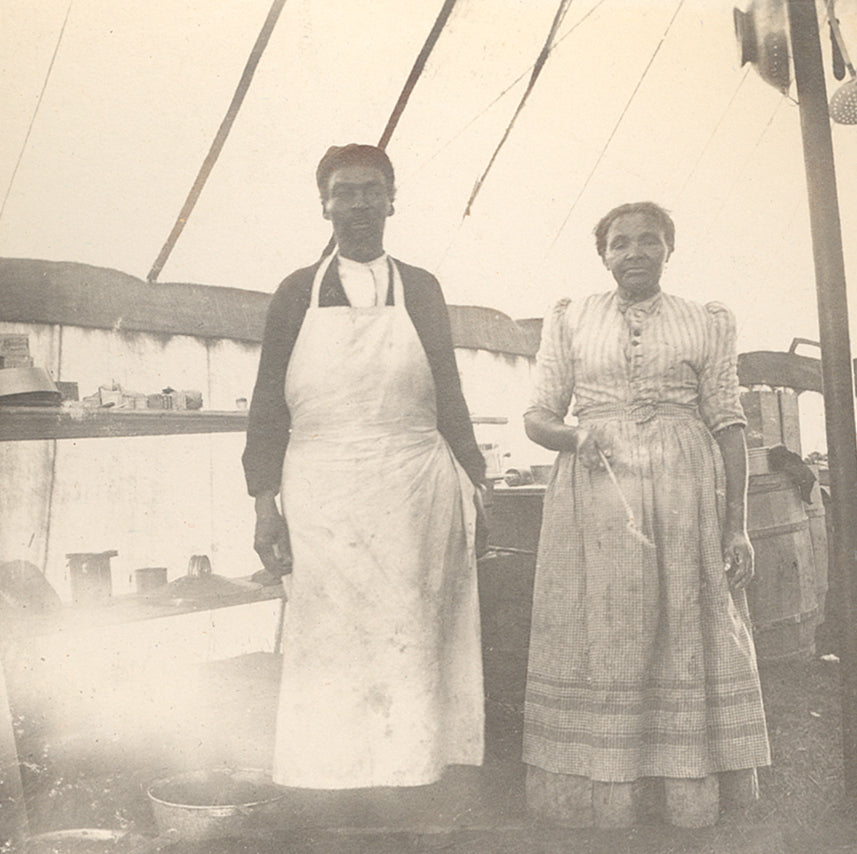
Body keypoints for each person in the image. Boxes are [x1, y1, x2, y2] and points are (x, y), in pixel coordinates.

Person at [242, 144, 486, 790]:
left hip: (412, 484)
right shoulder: (295, 292)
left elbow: (448, 393)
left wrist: (475, 480)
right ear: (324, 204)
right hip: (322, 490)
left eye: (370, 191)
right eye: (343, 192)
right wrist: (264, 503)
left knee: (409, 629)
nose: (357, 205)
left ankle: (410, 777)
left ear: (391, 201)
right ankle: (324, 785)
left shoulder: (423, 289)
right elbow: (268, 403)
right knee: (327, 638)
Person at [521, 202, 770, 828]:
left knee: (685, 621)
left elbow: (728, 422)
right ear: (602, 253)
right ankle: (606, 788)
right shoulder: (571, 319)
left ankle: (685, 784)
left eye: (649, 241)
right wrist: (575, 438)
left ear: (669, 249)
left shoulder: (705, 321)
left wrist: (735, 523)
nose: (634, 253)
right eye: (620, 243)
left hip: (687, 490)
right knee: (605, 629)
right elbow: (538, 416)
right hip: (598, 492)